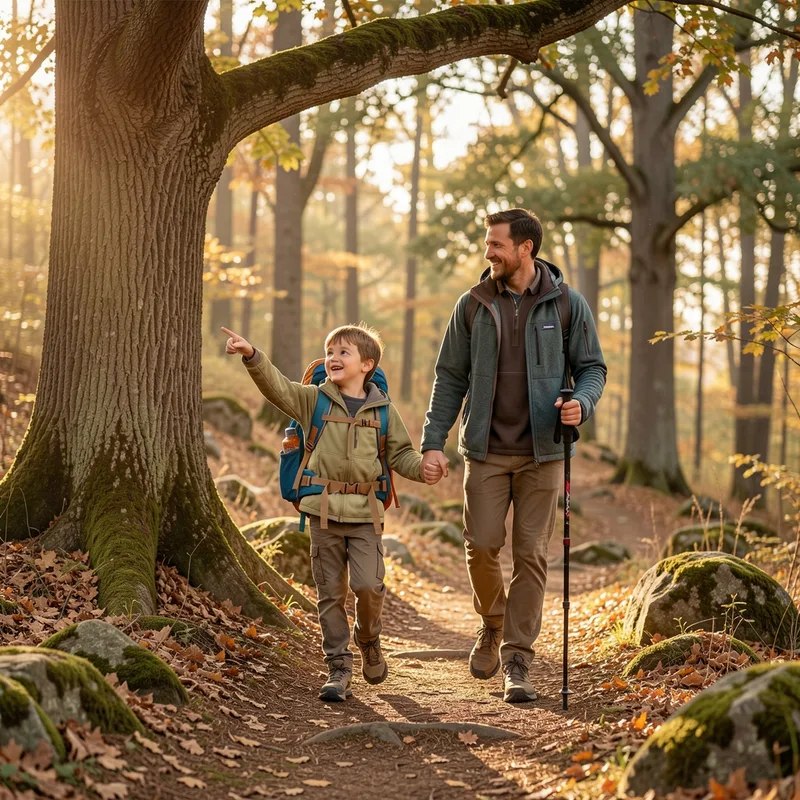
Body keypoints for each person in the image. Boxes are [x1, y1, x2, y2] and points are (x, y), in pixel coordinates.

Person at [420, 208, 606, 703]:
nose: (488, 253)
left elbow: (592, 369)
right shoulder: (474, 304)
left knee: (530, 555)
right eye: (488, 244)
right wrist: (433, 441)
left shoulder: (568, 305)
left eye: (496, 244)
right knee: (481, 545)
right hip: (484, 451)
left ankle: (517, 658)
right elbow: (450, 378)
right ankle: (493, 620)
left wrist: (581, 404)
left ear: (526, 248)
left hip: (543, 454)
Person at [221, 323, 435, 702]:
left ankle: (368, 637)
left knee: (369, 586)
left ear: (367, 364)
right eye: (330, 352)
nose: (332, 359)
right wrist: (252, 356)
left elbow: (400, 455)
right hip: (322, 512)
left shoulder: (384, 411)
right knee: (330, 594)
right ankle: (338, 667)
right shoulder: (313, 401)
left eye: (343, 353)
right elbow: (278, 388)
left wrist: (424, 468)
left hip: (366, 514)